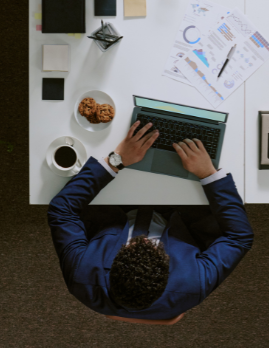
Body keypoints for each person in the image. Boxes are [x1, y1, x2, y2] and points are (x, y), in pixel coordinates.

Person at [47, 120, 253, 320]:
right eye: (155, 248)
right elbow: (239, 238)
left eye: (132, 245)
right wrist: (208, 173)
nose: (144, 238)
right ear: (169, 271)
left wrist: (116, 160)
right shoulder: (193, 283)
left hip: (115, 206)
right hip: (181, 211)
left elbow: (61, 210)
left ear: (111, 268)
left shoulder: (81, 273)